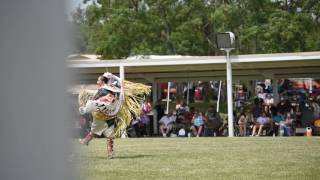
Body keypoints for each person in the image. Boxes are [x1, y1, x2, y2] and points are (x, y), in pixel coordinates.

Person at [78, 73, 120, 158]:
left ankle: (86, 141)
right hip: (111, 114)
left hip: (101, 115)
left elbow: (94, 100)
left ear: (102, 81)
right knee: (109, 133)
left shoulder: (102, 90)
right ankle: (110, 153)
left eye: (98, 80)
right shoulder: (114, 89)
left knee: (95, 130)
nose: (97, 82)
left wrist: (87, 106)